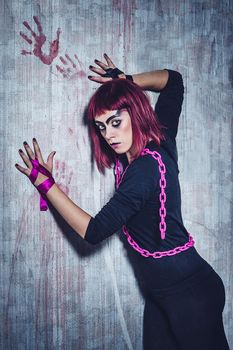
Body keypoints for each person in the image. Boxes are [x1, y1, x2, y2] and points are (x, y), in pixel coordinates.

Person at [15, 53, 230, 349]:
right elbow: (174, 83)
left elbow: (94, 231)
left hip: (189, 295)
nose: (109, 135)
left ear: (135, 113)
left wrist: (45, 183)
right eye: (102, 127)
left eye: (116, 122)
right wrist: (126, 82)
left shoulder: (143, 170)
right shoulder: (161, 138)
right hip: (162, 294)